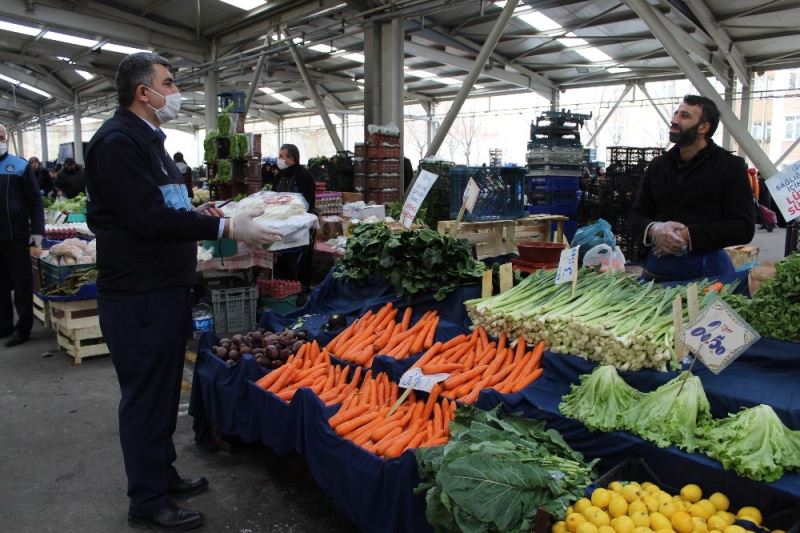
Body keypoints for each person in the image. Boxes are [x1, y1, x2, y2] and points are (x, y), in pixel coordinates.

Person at [85, 52, 280, 531]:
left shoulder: (149, 141)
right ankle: (146, 500)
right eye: (168, 84)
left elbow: (165, 204)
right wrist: (226, 227)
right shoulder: (117, 142)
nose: (175, 92)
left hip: (165, 287)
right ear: (142, 92)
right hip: (139, 293)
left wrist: (208, 211)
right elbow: (147, 218)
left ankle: (162, 473)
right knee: (146, 397)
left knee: (164, 389)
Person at [628, 95, 754, 281]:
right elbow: (635, 216)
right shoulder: (658, 166)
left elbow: (743, 227)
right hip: (657, 267)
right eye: (676, 114)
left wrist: (688, 235)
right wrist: (655, 229)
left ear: (703, 127)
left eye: (684, 116)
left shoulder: (730, 167)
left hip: (707, 271)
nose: (674, 120)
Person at [0, 124, 44, 347]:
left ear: (6, 138)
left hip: (16, 236)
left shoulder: (19, 166)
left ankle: (23, 328)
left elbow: (35, 201)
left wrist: (37, 231)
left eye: (1, 137)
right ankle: (4, 325)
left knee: (22, 284)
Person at [273, 144, 316, 289]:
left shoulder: (304, 175)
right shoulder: (279, 175)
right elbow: (273, 197)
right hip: (282, 224)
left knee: (300, 260)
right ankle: (283, 288)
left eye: (281, 156)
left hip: (301, 225)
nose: (278, 159)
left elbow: (308, 202)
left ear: (291, 158)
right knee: (282, 259)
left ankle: (301, 289)